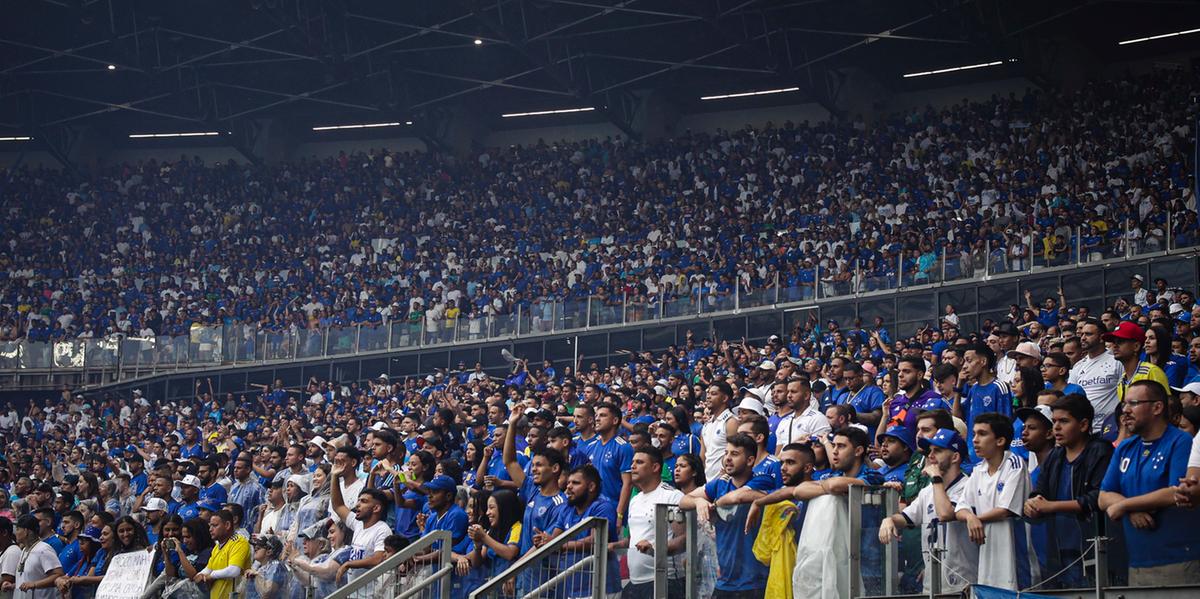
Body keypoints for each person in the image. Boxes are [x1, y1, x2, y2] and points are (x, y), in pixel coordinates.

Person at [1099, 381, 1200, 585]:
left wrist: (1124, 505)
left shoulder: (1181, 441)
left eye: (1133, 403)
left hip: (1180, 560)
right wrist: (1130, 509)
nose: (1125, 411)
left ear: (1157, 407)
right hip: (1137, 562)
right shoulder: (1126, 447)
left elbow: (1176, 493)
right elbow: (1103, 496)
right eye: (1124, 404)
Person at [1023, 393, 1112, 589]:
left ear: (1083, 425)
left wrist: (1050, 506)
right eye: (1054, 421)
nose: (1056, 427)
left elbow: (1099, 497)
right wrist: (1031, 504)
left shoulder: (1100, 451)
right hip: (1058, 553)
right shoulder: (1055, 455)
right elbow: (1039, 492)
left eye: (1064, 421)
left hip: (1093, 550)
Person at [879, 428, 977, 593]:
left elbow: (945, 514)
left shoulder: (967, 486)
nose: (930, 456)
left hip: (963, 583)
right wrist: (888, 520)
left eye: (938, 451)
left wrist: (936, 478)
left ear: (955, 457)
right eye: (930, 451)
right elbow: (906, 517)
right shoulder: (928, 490)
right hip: (932, 582)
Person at [791, 428, 883, 598]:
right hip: (840, 560)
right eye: (833, 445)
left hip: (868, 562)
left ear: (858, 451)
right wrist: (829, 487)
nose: (834, 451)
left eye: (841, 446)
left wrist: (825, 487)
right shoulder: (834, 474)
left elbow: (834, 486)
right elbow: (799, 490)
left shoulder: (873, 476)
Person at [680, 433, 774, 598]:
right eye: (726, 453)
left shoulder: (763, 481)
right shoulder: (720, 484)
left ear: (750, 460)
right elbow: (684, 501)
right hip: (725, 580)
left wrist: (713, 504)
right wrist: (698, 502)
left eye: (735, 454)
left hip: (756, 581)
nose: (728, 458)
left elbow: (737, 497)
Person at [955, 413, 1039, 590]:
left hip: (1014, 553)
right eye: (974, 434)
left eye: (982, 434)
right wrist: (971, 518)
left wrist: (976, 518)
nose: (975, 440)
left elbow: (1005, 509)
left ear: (1000, 441)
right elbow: (961, 508)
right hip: (987, 555)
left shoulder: (1015, 464)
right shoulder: (978, 470)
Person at [539, 466, 621, 599]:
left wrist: (557, 545)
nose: (569, 487)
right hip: (572, 589)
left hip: (601, 589)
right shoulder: (566, 509)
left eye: (575, 483)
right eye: (568, 483)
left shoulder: (602, 507)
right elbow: (554, 540)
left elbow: (594, 541)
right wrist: (544, 541)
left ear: (591, 486)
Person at [623, 448, 685, 599]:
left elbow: (683, 539)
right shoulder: (635, 500)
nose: (633, 466)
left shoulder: (672, 497)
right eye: (632, 462)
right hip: (635, 583)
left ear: (655, 467)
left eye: (639, 462)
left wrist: (655, 548)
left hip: (664, 582)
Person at [329, 463, 391, 586]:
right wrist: (334, 476)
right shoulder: (358, 524)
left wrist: (349, 564)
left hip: (372, 594)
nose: (357, 505)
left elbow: (378, 558)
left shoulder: (382, 530)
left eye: (363, 501)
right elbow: (338, 506)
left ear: (376, 508)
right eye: (358, 500)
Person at [1069, 318, 1123, 439]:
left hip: (1112, 430)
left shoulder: (1116, 361)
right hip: (1085, 432)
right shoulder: (1078, 366)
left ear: (1101, 337)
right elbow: (1071, 399)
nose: (1082, 338)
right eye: (1082, 334)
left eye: (1088, 334)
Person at [587, 403, 634, 521]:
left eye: (602, 415)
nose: (597, 419)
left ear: (615, 420)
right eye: (596, 415)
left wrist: (619, 514)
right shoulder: (591, 446)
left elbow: (627, 483)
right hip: (592, 508)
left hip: (613, 509)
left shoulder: (623, 447)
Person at [195, 510, 250, 599]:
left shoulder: (239, 542)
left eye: (215, 525)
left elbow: (234, 570)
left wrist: (211, 576)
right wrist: (200, 575)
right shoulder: (217, 547)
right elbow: (209, 568)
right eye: (210, 526)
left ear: (227, 525)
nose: (210, 529)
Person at [7, 515, 62, 599]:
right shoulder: (25, 550)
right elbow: (28, 579)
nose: (16, 533)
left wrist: (35, 584)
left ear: (26, 531)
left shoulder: (44, 549)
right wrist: (13, 585)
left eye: (18, 529)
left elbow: (58, 574)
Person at [773, 376, 829, 450]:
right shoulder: (784, 421)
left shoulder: (818, 419)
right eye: (788, 392)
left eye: (793, 392)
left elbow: (819, 453)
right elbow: (778, 453)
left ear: (806, 395)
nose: (789, 395)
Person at [701, 381, 741, 482]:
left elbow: (736, 453)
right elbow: (703, 456)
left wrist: (727, 476)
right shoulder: (706, 425)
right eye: (708, 393)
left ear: (724, 398)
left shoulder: (731, 422)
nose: (708, 397)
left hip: (725, 481)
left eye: (713, 394)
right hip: (708, 482)